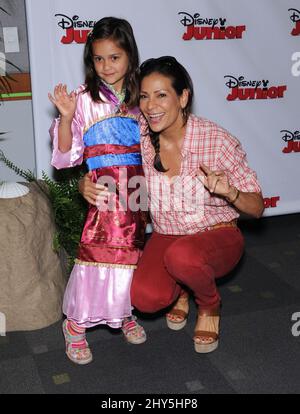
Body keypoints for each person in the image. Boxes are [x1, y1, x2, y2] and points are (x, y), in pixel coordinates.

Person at [79, 56, 265, 354]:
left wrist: (230, 193)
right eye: (144, 96)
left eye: (161, 95)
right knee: (144, 298)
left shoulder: (216, 140)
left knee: (182, 257)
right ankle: (183, 286)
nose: (151, 106)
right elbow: (103, 161)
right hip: (168, 235)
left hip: (217, 234)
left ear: (183, 97)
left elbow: (257, 207)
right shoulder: (137, 133)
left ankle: (209, 305)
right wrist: (83, 184)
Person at [48, 17, 148, 365]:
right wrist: (65, 117)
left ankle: (124, 312)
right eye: (98, 59)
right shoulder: (81, 100)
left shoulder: (144, 97)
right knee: (97, 256)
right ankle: (75, 325)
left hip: (138, 191)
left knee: (132, 254)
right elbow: (64, 158)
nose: (106, 66)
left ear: (130, 57)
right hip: (103, 190)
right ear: (90, 60)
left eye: (114, 57)